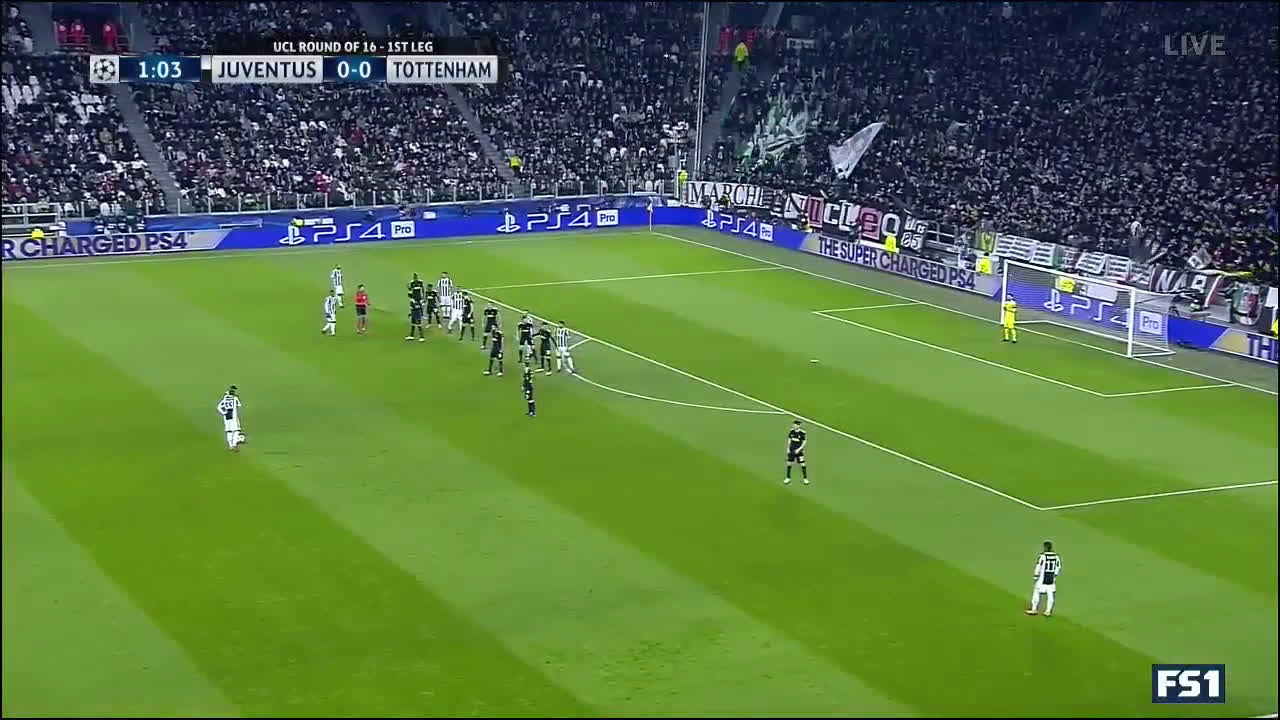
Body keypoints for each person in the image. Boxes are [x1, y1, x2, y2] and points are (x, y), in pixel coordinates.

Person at [1026, 541, 1061, 617]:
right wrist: (1055, 575)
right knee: (1050, 594)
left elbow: (1038, 566)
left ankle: (1034, 609)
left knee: (1036, 591)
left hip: (1042, 578)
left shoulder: (1043, 556)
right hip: (1051, 577)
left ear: (1045, 547)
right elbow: (1058, 567)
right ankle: (1048, 611)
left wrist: (1036, 575)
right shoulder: (1056, 556)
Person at [216, 385, 245, 451]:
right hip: (234, 417)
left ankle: (230, 446)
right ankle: (234, 445)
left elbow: (218, 407)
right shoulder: (235, 398)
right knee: (236, 430)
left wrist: (223, 412)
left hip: (226, 417)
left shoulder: (224, 399)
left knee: (229, 431)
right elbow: (239, 405)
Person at [784, 419, 808, 485]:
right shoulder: (791, 431)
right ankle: (788, 478)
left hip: (799, 452)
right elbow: (789, 439)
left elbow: (804, 442)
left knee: (803, 464)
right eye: (793, 424)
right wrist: (788, 448)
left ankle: (805, 478)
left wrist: (799, 449)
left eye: (795, 425)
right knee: (789, 463)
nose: (794, 426)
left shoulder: (802, 433)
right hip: (791, 450)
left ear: (799, 425)